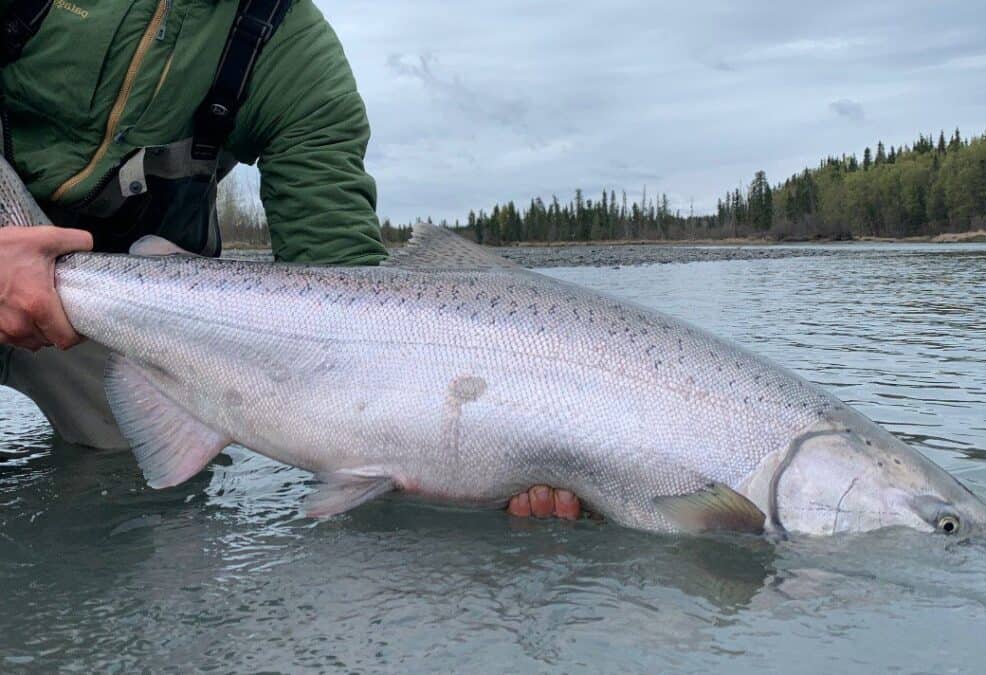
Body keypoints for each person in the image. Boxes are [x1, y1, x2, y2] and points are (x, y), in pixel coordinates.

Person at [0, 0, 580, 520]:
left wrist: (495, 453)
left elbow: (348, 292)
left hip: (112, 314)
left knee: (132, 483)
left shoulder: (291, 48)